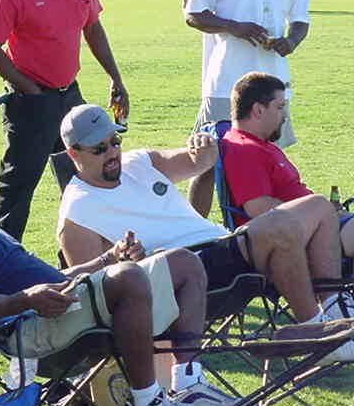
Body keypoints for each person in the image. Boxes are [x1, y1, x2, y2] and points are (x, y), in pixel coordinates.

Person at [0, 149, 239, 406]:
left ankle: (189, 382)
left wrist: (106, 259)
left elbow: (55, 278)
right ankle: (148, 404)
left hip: (57, 306)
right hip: (30, 330)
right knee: (128, 276)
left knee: (182, 262)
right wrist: (26, 299)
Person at [56, 104, 354, 366]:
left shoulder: (139, 162)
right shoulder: (78, 210)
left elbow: (198, 161)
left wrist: (204, 145)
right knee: (279, 228)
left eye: (115, 141)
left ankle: (334, 312)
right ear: (73, 153)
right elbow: (96, 292)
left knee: (318, 207)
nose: (112, 152)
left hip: (222, 245)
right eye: (99, 148)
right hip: (191, 273)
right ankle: (317, 335)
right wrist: (125, 260)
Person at [0, 0, 130, 242]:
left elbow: (92, 28)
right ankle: (4, 258)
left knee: (86, 179)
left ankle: (86, 255)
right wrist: (30, 90)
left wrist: (115, 77)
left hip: (70, 97)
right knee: (18, 188)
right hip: (31, 103)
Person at [184, 0, 311, 217]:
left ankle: (269, 233)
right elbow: (193, 14)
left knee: (272, 163)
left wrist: (291, 41)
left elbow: (301, 20)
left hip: (274, 87)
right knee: (206, 163)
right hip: (224, 84)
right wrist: (234, 27)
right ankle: (192, 231)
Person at [221, 72, 354, 265]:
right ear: (258, 110)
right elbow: (257, 207)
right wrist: (318, 213)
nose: (285, 117)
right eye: (280, 107)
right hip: (304, 235)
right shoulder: (244, 149)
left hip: (316, 226)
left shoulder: (260, 145)